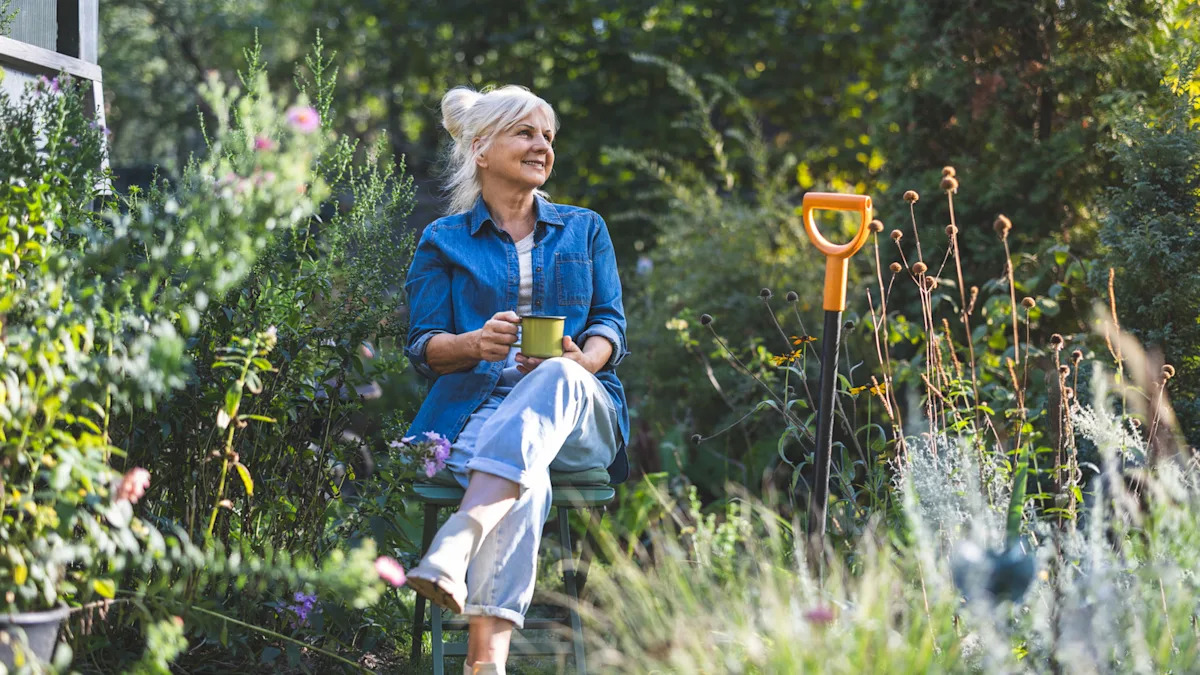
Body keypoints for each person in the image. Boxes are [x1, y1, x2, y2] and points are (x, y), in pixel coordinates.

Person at [402, 84, 630, 675]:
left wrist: (583, 362)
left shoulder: (585, 228)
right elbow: (425, 347)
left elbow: (610, 323)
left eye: (547, 136)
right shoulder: (442, 240)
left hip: (580, 410)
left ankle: (460, 536)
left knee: (553, 374)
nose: (542, 146)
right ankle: (487, 666)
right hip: (477, 413)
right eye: (526, 133)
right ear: (481, 148)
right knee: (523, 480)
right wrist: (474, 344)